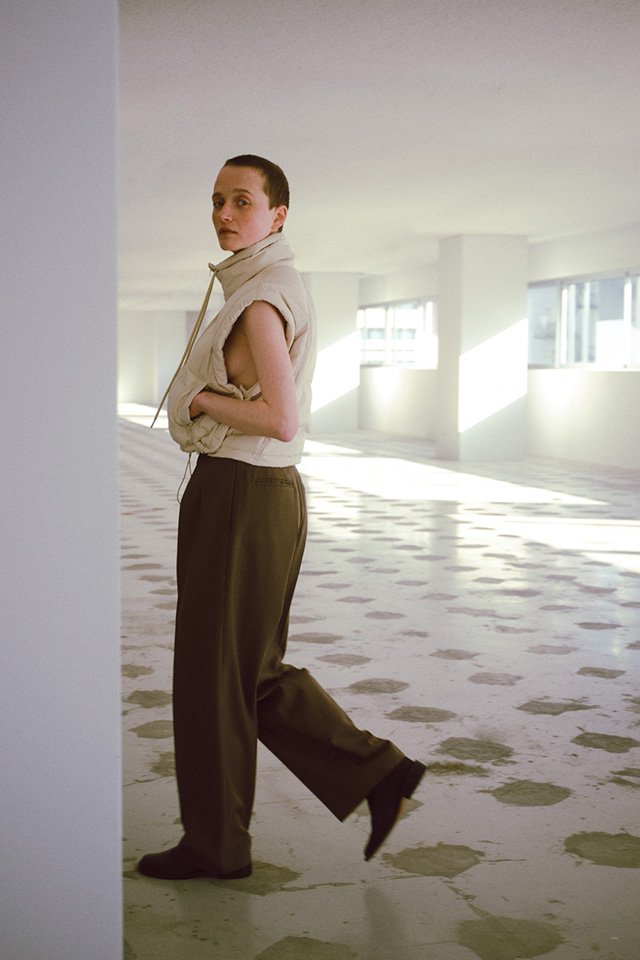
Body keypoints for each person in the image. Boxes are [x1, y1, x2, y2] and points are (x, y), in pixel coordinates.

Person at [138, 155, 425, 880]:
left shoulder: (261, 298)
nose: (224, 214)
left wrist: (199, 400)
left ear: (278, 215)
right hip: (256, 493)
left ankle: (217, 845)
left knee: (213, 677)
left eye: (242, 201)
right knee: (245, 672)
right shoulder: (262, 284)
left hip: (242, 491)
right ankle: (375, 773)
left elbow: (280, 417)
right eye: (217, 200)